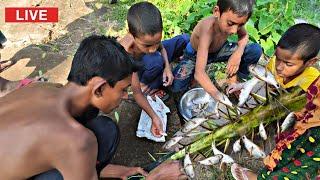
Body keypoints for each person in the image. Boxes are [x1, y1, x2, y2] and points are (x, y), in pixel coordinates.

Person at [0, 35, 186, 180]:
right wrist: (156, 177)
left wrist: (112, 171)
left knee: (105, 130)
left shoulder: (43, 88)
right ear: (99, 88)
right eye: (123, 89)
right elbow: (70, 146)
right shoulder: (76, 141)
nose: (125, 95)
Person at [230, 23, 320, 180]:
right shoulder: (274, 63)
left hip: (292, 118)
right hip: (272, 104)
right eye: (278, 58)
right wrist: (242, 85)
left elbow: (306, 115)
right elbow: (261, 78)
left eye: (288, 64)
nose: (279, 66)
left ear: (311, 62)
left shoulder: (311, 82)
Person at [118, 1, 189, 136]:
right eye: (147, 45)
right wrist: (154, 117)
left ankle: (161, 69)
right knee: (156, 59)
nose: (153, 49)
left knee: (184, 39)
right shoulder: (125, 54)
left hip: (150, 59)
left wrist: (167, 67)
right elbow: (137, 94)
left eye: (157, 41)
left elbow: (159, 46)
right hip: (140, 70)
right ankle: (149, 86)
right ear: (131, 34)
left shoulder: (149, 38)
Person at [171, 0, 262, 104]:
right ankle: (184, 64)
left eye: (240, 25)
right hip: (195, 55)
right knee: (177, 86)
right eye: (230, 23)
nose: (234, 31)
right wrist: (218, 95)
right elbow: (199, 74)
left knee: (255, 50)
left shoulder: (235, 23)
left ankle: (236, 81)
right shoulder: (208, 29)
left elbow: (244, 36)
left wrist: (237, 54)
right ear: (217, 11)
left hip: (219, 50)